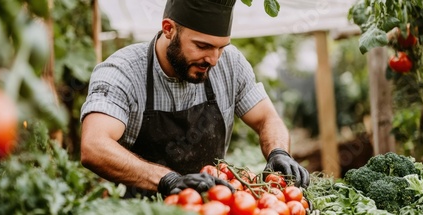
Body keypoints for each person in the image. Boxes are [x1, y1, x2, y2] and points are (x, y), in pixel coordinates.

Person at [80, 0, 309, 198]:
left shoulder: (230, 64)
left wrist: (278, 151)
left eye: (221, 47)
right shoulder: (123, 72)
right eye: (202, 46)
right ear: (168, 29)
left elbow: (266, 117)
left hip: (212, 205)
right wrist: (168, 180)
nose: (213, 59)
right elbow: (94, 146)